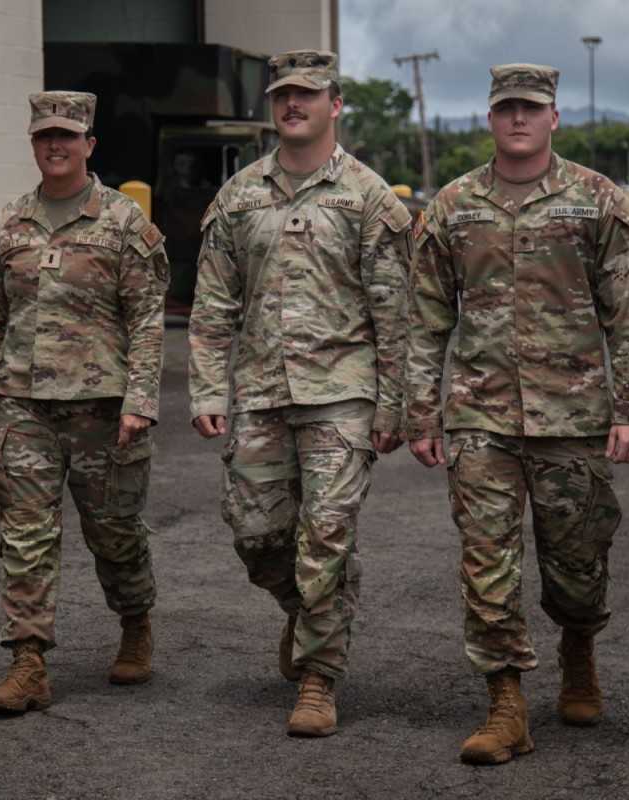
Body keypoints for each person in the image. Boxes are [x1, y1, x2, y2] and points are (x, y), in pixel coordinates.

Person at [403, 63, 629, 765]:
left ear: (554, 117)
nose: (518, 118)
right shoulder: (452, 206)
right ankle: (505, 703)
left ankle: (578, 645)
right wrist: (421, 414)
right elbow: (424, 320)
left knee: (576, 565)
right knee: (487, 562)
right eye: (506, 107)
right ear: (489, 118)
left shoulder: (596, 201)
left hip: (572, 418)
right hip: (479, 418)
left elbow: (628, 316)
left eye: (531, 107)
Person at [187, 50, 413, 738]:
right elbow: (213, 301)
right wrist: (205, 385)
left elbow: (395, 314)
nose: (293, 104)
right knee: (256, 533)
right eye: (283, 93)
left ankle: (318, 679)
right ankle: (311, 605)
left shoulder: (369, 197)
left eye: (308, 94)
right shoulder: (239, 195)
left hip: (342, 395)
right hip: (259, 391)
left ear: (335, 104)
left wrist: (395, 405)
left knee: (325, 536)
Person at [0, 91, 170, 712]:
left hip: (102, 409)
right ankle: (27, 663)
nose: (54, 146)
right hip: (22, 405)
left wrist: (141, 400)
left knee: (112, 532)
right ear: (33, 144)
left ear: (89, 143)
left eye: (65, 136)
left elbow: (146, 320)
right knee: (25, 534)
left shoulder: (122, 224)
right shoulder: (9, 224)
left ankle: (135, 620)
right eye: (43, 137)